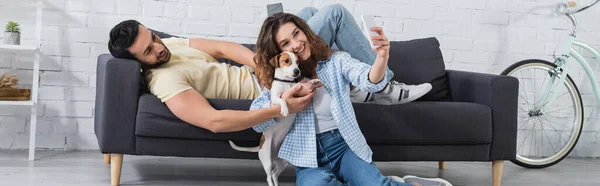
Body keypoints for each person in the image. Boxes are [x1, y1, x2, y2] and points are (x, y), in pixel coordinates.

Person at [107, 7, 429, 134]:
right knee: (334, 15)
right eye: (148, 51)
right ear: (137, 62)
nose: (158, 48)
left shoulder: (168, 44)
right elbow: (214, 121)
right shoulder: (163, 81)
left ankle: (349, 82)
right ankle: (383, 86)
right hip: (268, 89)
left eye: (153, 37)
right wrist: (279, 106)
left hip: (265, 72)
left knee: (305, 15)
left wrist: (260, 64)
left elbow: (222, 48)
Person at [251, 5, 452, 186]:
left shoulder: (335, 61)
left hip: (344, 147)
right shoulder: (280, 81)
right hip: (308, 158)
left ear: (306, 31)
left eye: (297, 33)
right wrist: (283, 105)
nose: (295, 44)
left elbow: (367, 78)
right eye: (286, 43)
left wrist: (382, 57)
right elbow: (256, 122)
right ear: (279, 54)